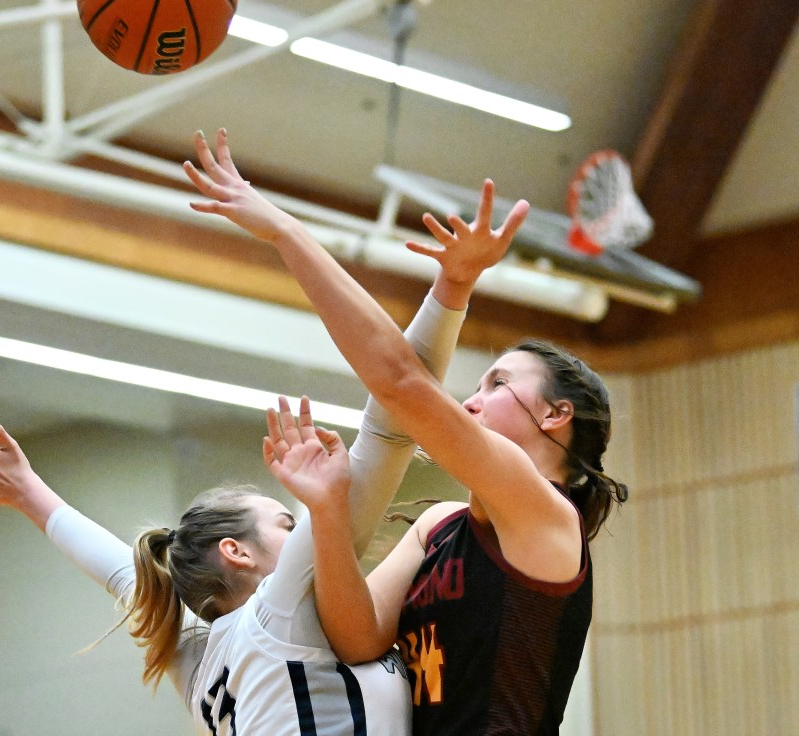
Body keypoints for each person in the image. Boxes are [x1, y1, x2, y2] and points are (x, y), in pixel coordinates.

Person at [0, 202, 521, 736]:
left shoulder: (199, 655)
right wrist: (450, 289)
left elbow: (116, 570)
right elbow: (393, 416)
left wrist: (30, 494)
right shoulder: (278, 609)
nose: (305, 524)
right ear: (237, 553)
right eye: (288, 522)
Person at [185, 128, 628, 734]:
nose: (472, 401)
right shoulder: (439, 525)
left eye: (497, 385)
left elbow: (399, 382)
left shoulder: (545, 518)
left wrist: (286, 233)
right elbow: (359, 637)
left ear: (556, 416)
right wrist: (329, 508)